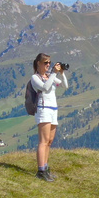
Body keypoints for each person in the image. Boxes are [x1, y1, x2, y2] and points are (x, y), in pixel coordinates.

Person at [31, 53, 67, 181]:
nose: (48, 65)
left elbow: (64, 86)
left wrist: (61, 73)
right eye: (45, 63)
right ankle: (41, 170)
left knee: (50, 141)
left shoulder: (49, 76)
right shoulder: (35, 77)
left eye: (49, 63)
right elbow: (45, 88)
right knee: (43, 141)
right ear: (38, 63)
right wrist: (53, 74)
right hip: (43, 109)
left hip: (53, 110)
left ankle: (45, 168)